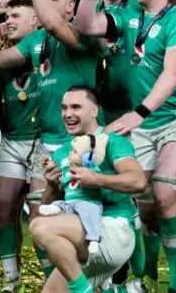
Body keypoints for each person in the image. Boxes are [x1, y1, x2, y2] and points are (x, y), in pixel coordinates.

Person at [75, 0, 176, 293]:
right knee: (146, 205)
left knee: (166, 196)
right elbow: (86, 26)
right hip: (142, 124)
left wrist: (140, 113)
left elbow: (173, 72)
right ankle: (148, 273)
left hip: (175, 118)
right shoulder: (130, 13)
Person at [0, 0, 103, 278]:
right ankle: (57, 280)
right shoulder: (37, 40)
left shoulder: (83, 33)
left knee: (88, 215)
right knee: (39, 216)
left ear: (71, 8)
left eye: (53, 0)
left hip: (83, 144)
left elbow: (52, 23)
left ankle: (110, 279)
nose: (45, 5)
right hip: (47, 141)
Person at [30, 85, 146, 293]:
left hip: (113, 229)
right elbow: (48, 210)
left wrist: (98, 179)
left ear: (94, 111)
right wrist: (52, 185)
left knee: (40, 227)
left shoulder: (113, 142)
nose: (68, 114)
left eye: (76, 107)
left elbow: (138, 181)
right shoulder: (63, 152)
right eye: (64, 108)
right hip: (81, 237)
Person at [0, 0, 39, 293]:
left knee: (41, 212)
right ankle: (11, 279)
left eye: (16, 15)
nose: (9, 21)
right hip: (10, 140)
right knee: (0, 207)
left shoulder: (52, 45)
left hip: (44, 139)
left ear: (36, 20)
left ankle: (53, 280)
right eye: (7, 16)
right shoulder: (0, 50)